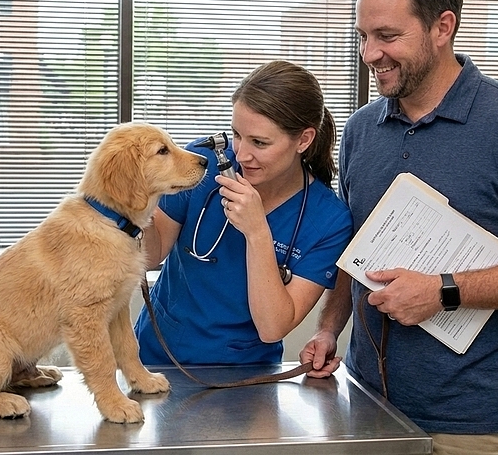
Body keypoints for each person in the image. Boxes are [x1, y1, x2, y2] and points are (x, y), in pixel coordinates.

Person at [298, 0, 498, 453]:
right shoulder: (361, 130)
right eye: (363, 36)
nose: (370, 53)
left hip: (473, 423)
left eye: (387, 36)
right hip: (368, 406)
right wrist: (328, 329)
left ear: (442, 27)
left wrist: (445, 291)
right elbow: (357, 248)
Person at [134, 60, 353, 365]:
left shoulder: (329, 221)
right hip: (156, 357)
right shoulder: (202, 164)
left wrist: (256, 231)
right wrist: (137, 200)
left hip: (245, 377)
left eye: (260, 142)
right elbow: (151, 256)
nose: (242, 153)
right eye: (237, 134)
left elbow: (272, 327)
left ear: (304, 140)